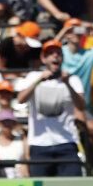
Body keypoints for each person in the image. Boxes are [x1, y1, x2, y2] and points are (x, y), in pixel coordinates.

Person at [16, 40, 87, 177]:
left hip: (66, 142)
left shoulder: (73, 80)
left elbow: (81, 106)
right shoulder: (34, 76)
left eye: (58, 53)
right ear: (43, 59)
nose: (55, 56)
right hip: (39, 144)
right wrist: (39, 81)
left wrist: (67, 84)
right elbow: (20, 99)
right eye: (50, 53)